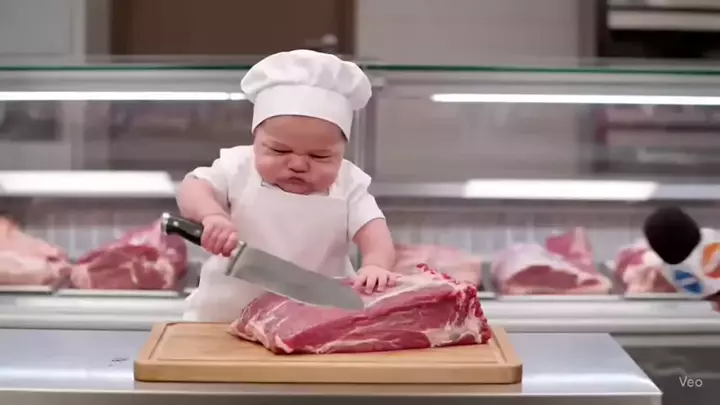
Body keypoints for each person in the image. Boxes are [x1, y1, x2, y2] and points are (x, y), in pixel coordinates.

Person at [176, 49, 397, 322]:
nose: (298, 164)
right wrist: (211, 215)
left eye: (320, 156)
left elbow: (374, 229)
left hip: (314, 316)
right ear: (256, 141)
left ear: (342, 152)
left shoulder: (349, 182)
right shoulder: (237, 166)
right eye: (279, 151)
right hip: (223, 316)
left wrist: (376, 264)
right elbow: (193, 187)